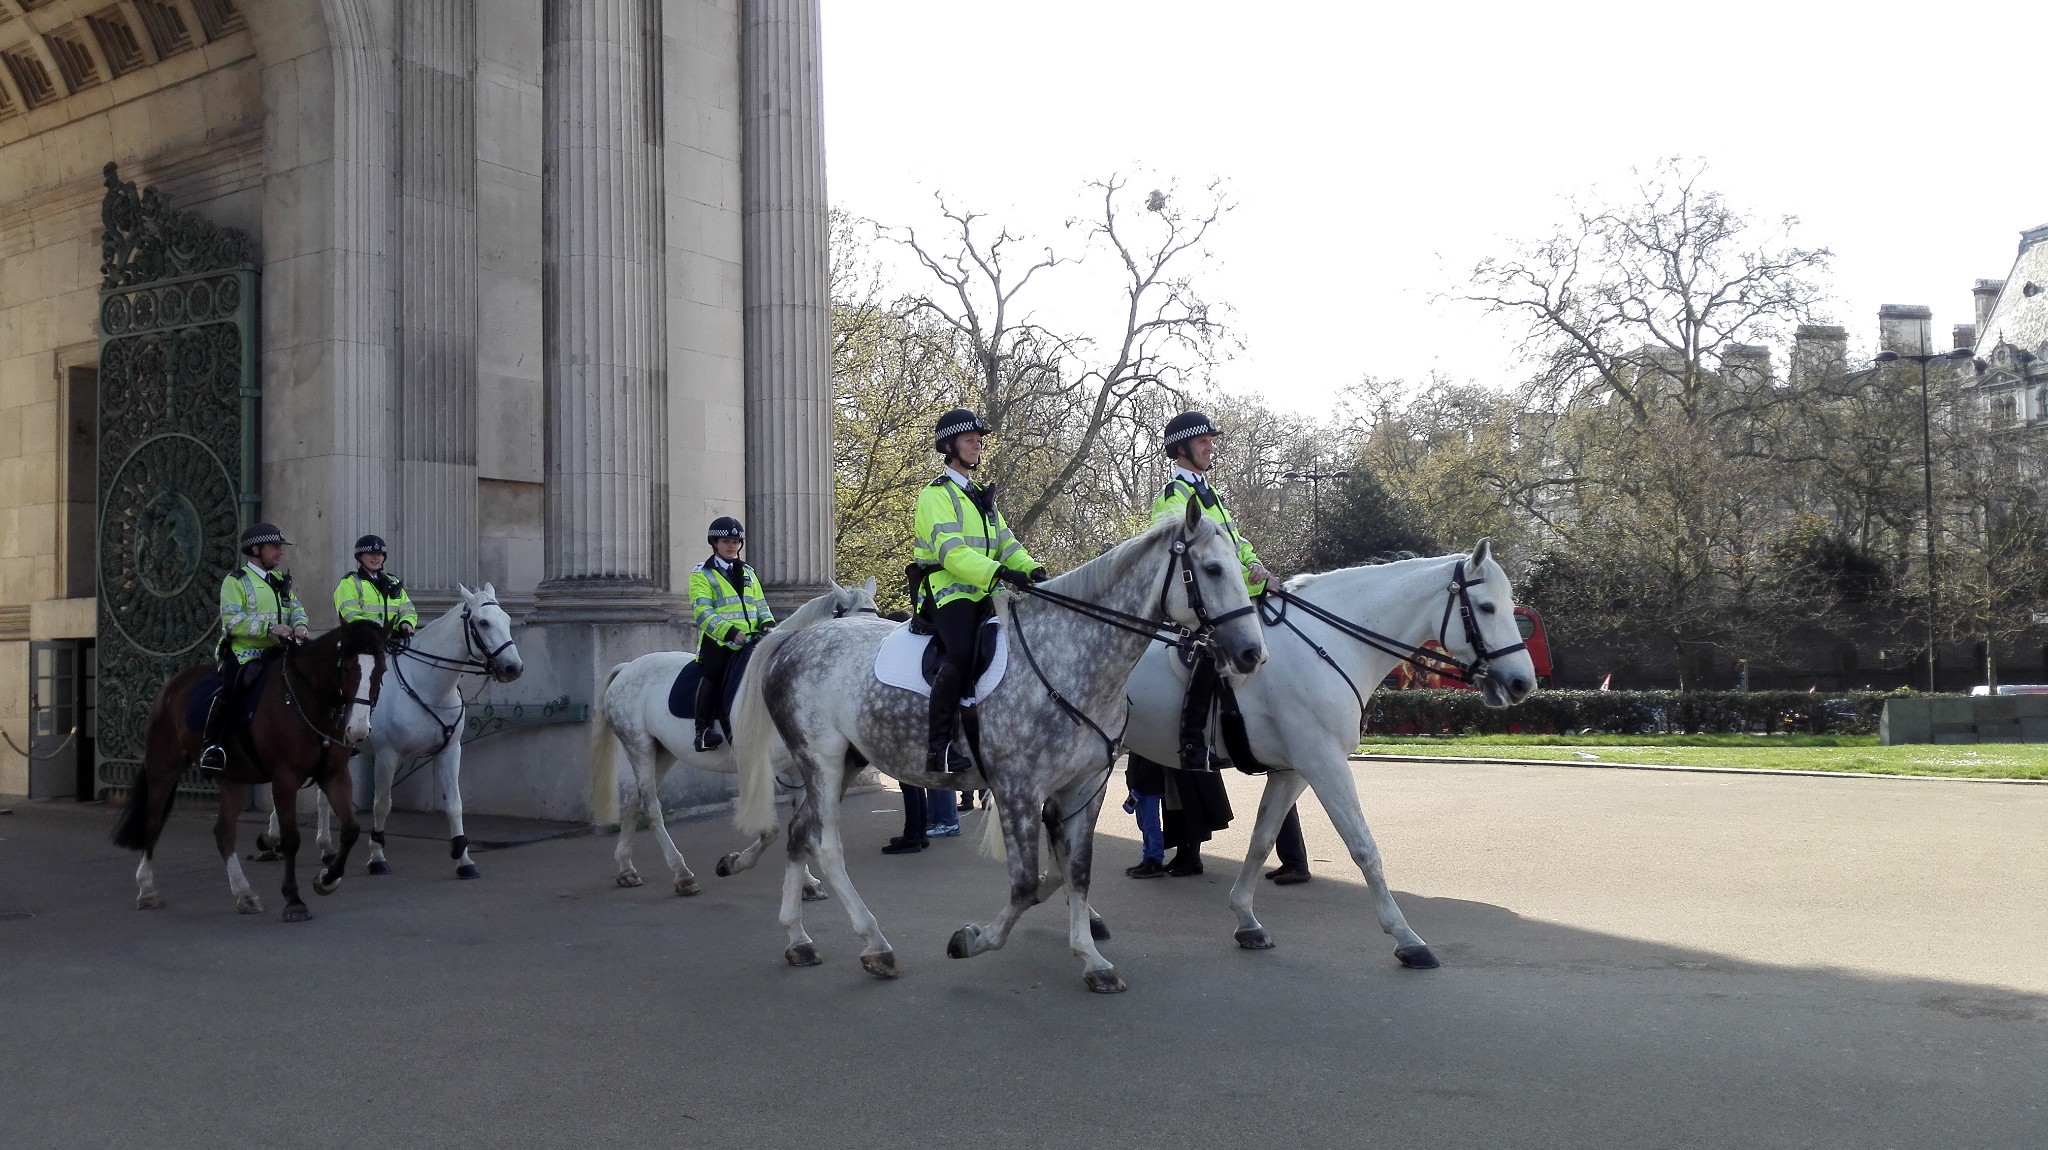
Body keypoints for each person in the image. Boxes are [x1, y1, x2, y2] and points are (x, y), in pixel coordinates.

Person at [910, 408, 1047, 773]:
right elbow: (951, 553)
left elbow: (1007, 544)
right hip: (947, 590)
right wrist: (999, 572)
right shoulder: (936, 495)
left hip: (982, 591)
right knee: (961, 654)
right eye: (970, 440)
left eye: (978, 440)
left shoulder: (981, 499)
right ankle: (937, 746)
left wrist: (1031, 569)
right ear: (949, 445)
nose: (977, 445)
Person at [197, 522, 310, 774]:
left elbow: (297, 610)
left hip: (279, 652)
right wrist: (270, 627)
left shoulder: (280, 580)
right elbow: (233, 621)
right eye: (275, 547)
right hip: (244, 653)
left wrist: (300, 625)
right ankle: (212, 746)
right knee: (230, 690)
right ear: (255, 549)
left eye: (280, 547)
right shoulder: (235, 581)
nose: (280, 552)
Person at [687, 516, 775, 752]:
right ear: (715, 542)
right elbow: (702, 612)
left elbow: (760, 604)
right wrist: (730, 632)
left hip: (752, 639)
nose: (732, 546)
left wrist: (768, 624)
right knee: (714, 675)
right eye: (726, 540)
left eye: (736, 541)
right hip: (720, 641)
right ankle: (702, 731)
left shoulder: (748, 571)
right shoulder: (702, 574)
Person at [333, 535, 418, 637]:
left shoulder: (393, 582)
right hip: (362, 643)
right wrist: (372, 631)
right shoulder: (349, 583)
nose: (376, 558)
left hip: (394, 641)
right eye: (371, 554)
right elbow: (350, 614)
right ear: (360, 557)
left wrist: (406, 623)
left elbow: (408, 609)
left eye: (379, 554)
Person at [1122, 753, 1168, 878]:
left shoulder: (1149, 740)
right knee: (1144, 825)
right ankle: (1148, 858)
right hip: (1140, 786)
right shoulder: (1138, 738)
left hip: (1149, 787)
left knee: (1151, 826)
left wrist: (1136, 781)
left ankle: (1155, 861)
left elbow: (1151, 762)